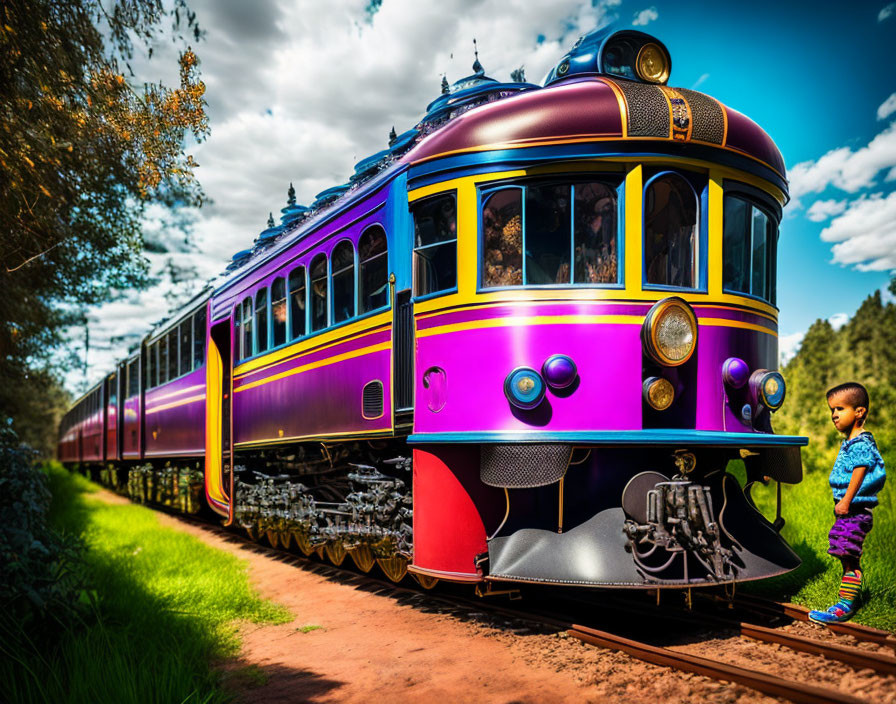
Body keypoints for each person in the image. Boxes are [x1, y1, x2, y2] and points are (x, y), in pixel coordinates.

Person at [808, 382, 886, 624]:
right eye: (832, 410)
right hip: (851, 509)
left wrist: (846, 501)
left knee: (848, 555)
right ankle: (848, 600)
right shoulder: (853, 441)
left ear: (859, 412)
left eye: (840, 409)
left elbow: (860, 471)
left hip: (854, 509)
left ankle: (845, 606)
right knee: (846, 554)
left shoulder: (861, 442)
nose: (834, 415)